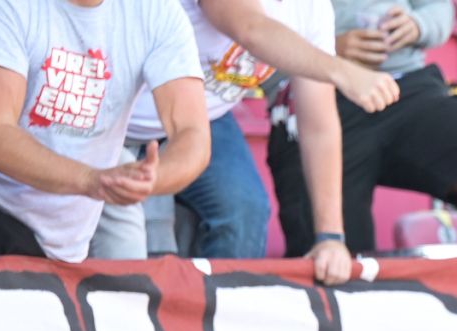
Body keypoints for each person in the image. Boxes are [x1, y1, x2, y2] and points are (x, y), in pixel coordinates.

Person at [121, 0, 398, 269]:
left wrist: (331, 237)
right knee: (122, 237)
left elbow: (318, 125)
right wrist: (343, 71)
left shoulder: (315, 9)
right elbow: (251, 28)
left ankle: (219, 310)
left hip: (204, 118)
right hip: (117, 117)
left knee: (246, 211)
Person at [268, 0, 457, 256]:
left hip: (405, 87)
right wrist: (328, 53)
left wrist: (417, 25)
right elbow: (251, 34)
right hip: (313, 97)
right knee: (333, 262)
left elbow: (439, 8)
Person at [0, 0, 208, 261]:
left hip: (64, 239)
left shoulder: (158, 11)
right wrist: (91, 180)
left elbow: (192, 132)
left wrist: (148, 180)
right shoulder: (10, 6)